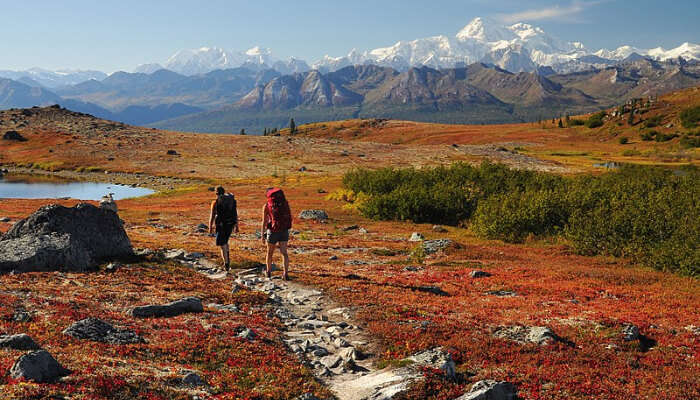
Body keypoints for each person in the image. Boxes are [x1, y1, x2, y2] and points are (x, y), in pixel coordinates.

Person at [261, 188, 292, 280]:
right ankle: (285, 273)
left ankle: (268, 272)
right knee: (284, 253)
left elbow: (264, 221)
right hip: (284, 230)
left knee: (269, 253)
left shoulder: (267, 205)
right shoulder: (285, 203)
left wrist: (262, 235)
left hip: (273, 231)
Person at [209, 186, 239, 271]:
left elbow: (212, 216)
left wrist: (210, 227)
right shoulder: (231, 201)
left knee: (222, 244)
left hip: (221, 225)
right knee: (225, 242)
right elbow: (235, 214)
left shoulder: (215, 202)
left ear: (216, 193)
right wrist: (237, 226)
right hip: (230, 224)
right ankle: (227, 260)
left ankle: (226, 264)